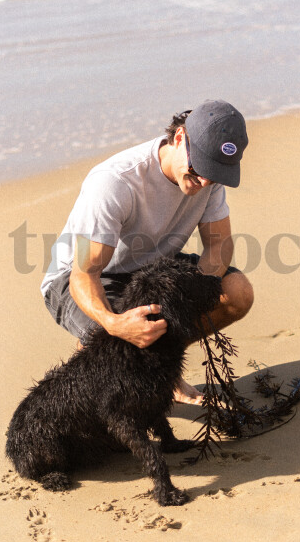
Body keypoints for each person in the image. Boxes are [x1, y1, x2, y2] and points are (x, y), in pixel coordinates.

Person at [40, 100, 254, 405]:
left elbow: (219, 245)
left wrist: (194, 296)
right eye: (201, 167)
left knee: (236, 291)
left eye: (216, 173)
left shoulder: (208, 178)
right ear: (179, 138)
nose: (205, 180)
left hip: (152, 269)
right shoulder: (116, 182)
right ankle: (95, 367)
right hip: (83, 277)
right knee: (113, 343)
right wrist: (114, 324)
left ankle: (163, 372)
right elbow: (84, 274)